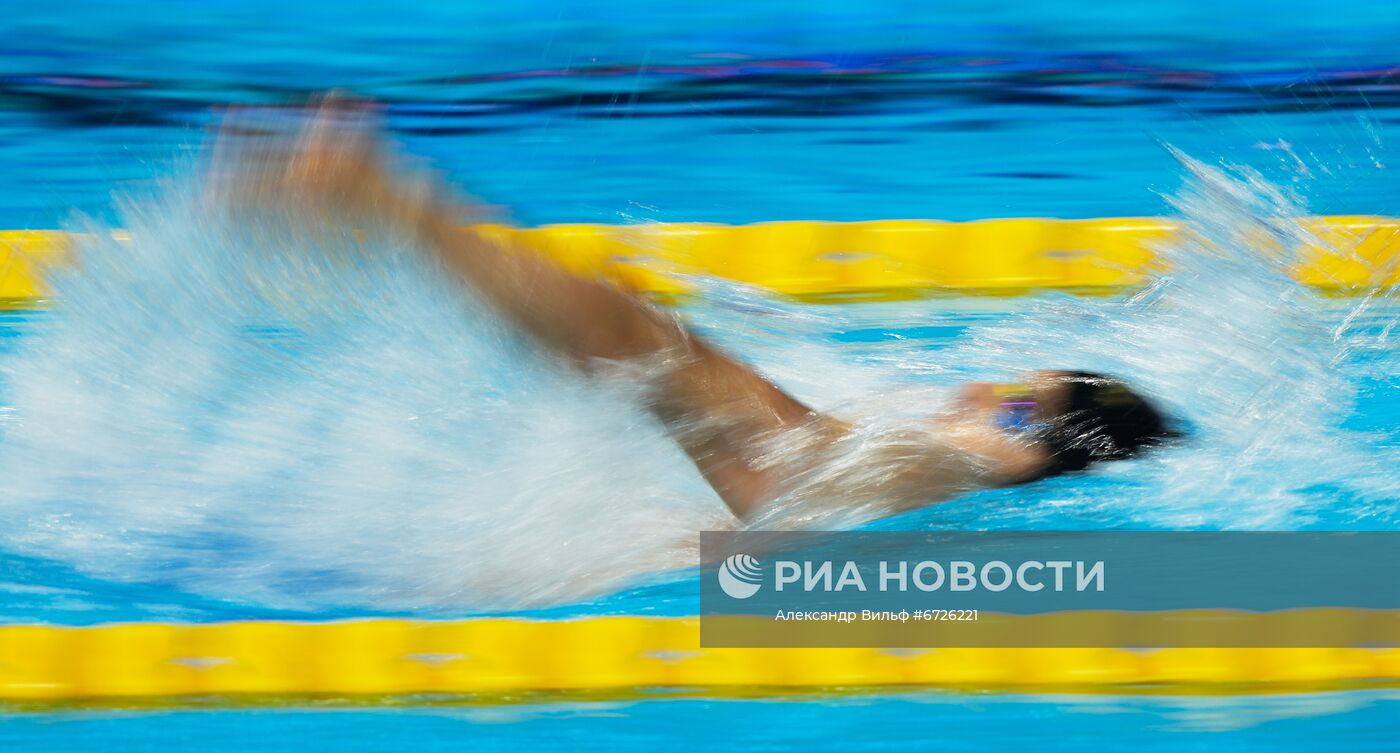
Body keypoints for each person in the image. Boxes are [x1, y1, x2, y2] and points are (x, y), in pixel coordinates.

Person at [216, 98, 1178, 522]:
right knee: (620, 341)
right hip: (802, 482)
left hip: (799, 469)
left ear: (1049, 451)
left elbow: (1005, 461)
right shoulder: (999, 453)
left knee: (632, 335)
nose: (984, 389)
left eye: (1019, 404)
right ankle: (382, 202)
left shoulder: (1004, 462)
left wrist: (967, 440)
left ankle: (382, 194)